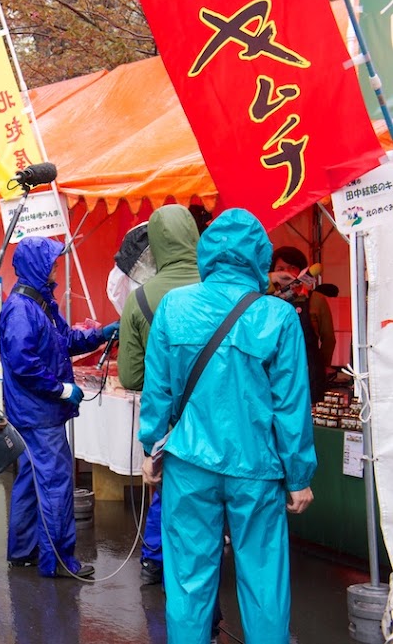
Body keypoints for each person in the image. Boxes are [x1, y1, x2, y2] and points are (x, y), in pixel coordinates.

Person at [139, 208, 316, 644]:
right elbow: (290, 407)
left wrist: (151, 448)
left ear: (207, 253)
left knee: (189, 581)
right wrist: (299, 477)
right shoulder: (279, 316)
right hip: (256, 467)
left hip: (188, 462)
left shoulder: (173, 308)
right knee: (263, 580)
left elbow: (157, 391)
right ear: (259, 256)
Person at [0, 236, 118, 579]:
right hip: (37, 414)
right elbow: (24, 364)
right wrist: (61, 389)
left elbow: (66, 342)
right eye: (52, 263)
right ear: (37, 266)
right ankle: (59, 560)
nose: (56, 268)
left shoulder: (41, 304)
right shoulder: (22, 310)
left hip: (34, 411)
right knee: (55, 483)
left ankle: (22, 551)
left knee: (29, 480)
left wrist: (102, 333)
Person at [117, 204, 201, 588]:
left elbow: (131, 375)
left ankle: (156, 559)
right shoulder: (227, 288)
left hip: (168, 419)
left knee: (165, 490)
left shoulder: (141, 298)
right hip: (223, 421)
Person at [269, 246, 336, 403]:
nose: (286, 273)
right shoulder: (268, 300)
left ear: (302, 270)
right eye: (280, 269)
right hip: (278, 372)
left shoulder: (317, 300)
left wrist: (322, 366)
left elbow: (329, 339)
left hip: (310, 372)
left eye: (292, 268)